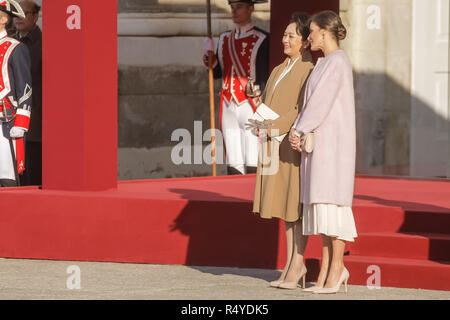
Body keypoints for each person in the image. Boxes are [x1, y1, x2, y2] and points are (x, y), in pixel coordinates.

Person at [289, 10, 358, 294]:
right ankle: (328, 273)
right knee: (323, 210)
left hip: (334, 146)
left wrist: (299, 129)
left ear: (326, 32)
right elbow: (308, 106)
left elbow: (320, 104)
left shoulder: (338, 62)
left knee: (333, 208)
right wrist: (299, 128)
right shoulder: (323, 63)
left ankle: (337, 270)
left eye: (314, 31)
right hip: (321, 146)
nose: (310, 36)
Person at [253, 12, 314, 289]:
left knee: (294, 205)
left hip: (289, 143)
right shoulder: (279, 68)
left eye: (292, 35)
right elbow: (267, 101)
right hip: (271, 143)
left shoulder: (308, 68)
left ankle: (298, 262)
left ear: (304, 41)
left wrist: (272, 126)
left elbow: (300, 109)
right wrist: (258, 122)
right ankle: (291, 262)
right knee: (282, 205)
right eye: (284, 34)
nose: (285, 39)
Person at [203, 0, 269, 175]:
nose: (234, 11)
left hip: (251, 105)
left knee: (253, 157)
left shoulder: (262, 39)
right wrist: (210, 58)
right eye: (232, 7)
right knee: (233, 160)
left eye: (239, 7)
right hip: (228, 103)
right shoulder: (225, 38)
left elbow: (264, 79)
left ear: (251, 9)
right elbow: (218, 73)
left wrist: (263, 112)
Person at [0, 0, 32, 187]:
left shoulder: (15, 47)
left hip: (6, 119)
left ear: (4, 19)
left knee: (6, 174)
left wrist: (21, 122)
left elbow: (25, 88)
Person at [13, 0, 41, 186]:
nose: (19, 18)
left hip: (35, 115)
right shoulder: (8, 41)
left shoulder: (45, 43)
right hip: (10, 115)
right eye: (16, 14)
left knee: (33, 170)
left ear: (35, 16)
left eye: (25, 13)